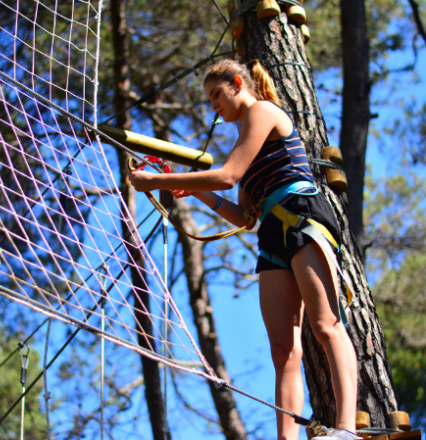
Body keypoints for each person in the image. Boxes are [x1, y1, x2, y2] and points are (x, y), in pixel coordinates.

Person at [128, 59, 361, 440]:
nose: (212, 106)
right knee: (282, 349)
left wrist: (156, 178)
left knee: (325, 325)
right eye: (208, 100)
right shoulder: (243, 142)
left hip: (301, 215)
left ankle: (347, 430)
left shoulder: (264, 111)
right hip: (271, 232)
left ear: (238, 84)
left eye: (216, 95)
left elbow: (227, 175)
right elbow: (243, 216)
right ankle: (285, 437)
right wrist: (190, 190)